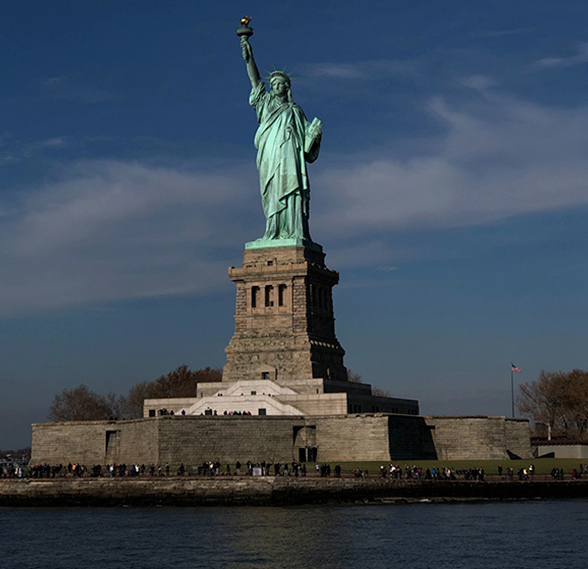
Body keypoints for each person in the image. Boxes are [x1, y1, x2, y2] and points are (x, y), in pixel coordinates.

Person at [241, 35, 322, 244]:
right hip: (269, 154)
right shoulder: (265, 103)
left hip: (289, 157)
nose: (275, 86)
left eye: (280, 84)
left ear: (287, 88)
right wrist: (249, 58)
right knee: (272, 191)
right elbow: (255, 80)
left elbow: (307, 144)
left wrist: (314, 135)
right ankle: (273, 230)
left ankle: (294, 231)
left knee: (291, 189)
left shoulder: (295, 111)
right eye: (273, 83)